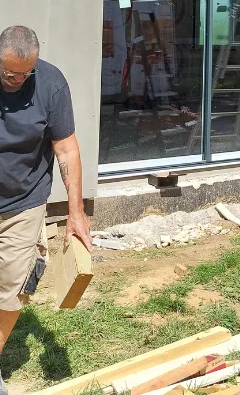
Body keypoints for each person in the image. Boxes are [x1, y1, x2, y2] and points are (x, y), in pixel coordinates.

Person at [0, 26, 92, 395]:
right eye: (10, 73)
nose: (18, 81)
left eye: (26, 73)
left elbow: (66, 149)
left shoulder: (51, 84)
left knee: (13, 287)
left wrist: (76, 212)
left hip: (23, 202)